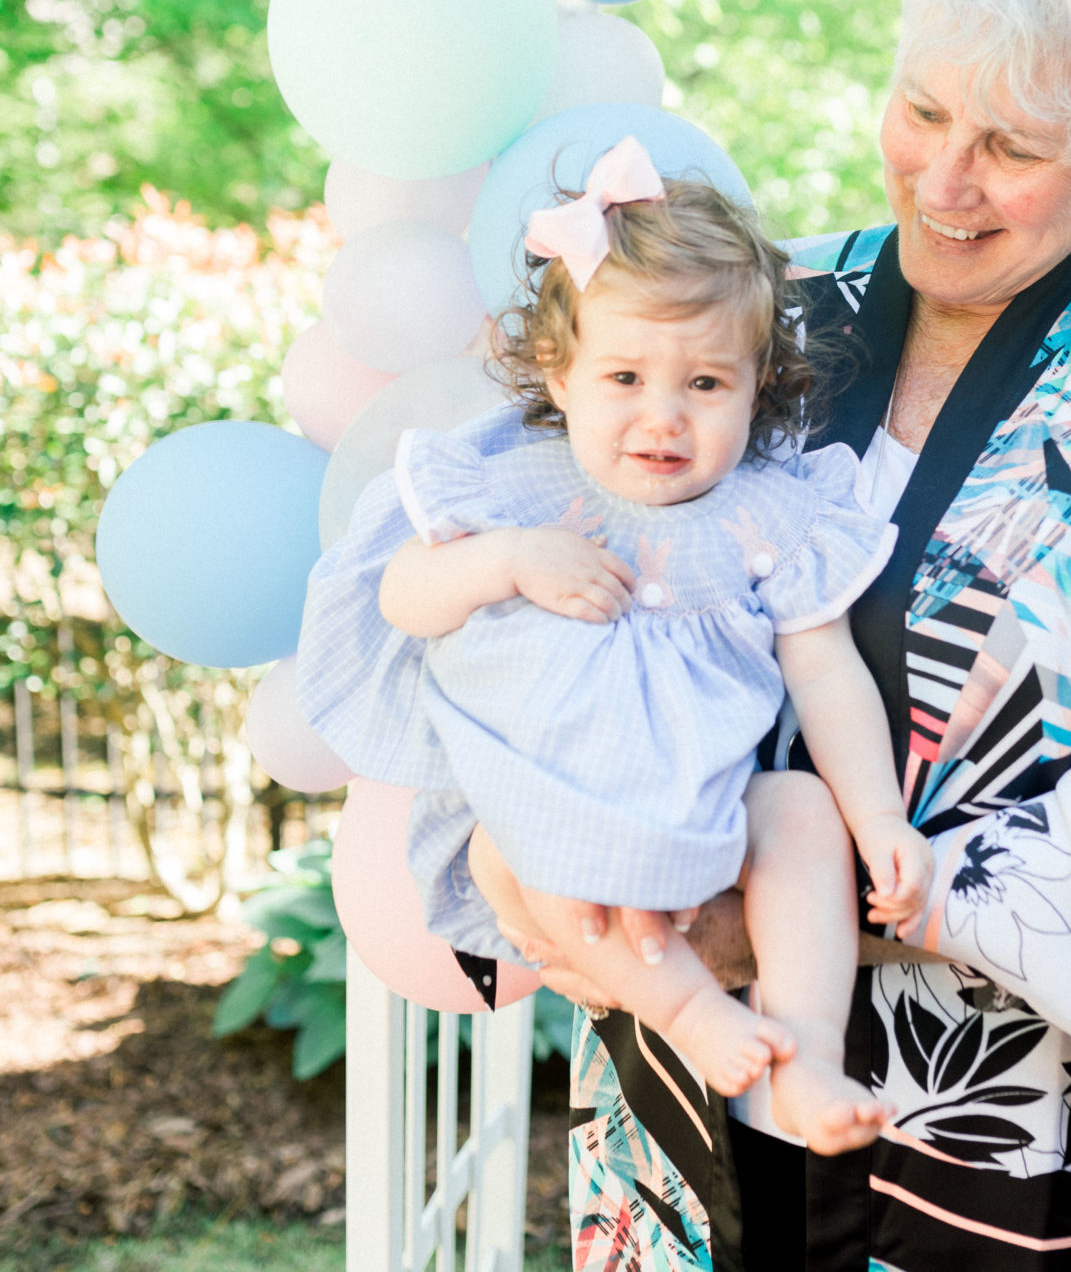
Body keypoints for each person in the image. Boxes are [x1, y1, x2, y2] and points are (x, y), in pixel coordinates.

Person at [463, 0, 1071, 1272]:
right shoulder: (761, 303)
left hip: (1006, 1151)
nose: (949, 181)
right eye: (922, 110)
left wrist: (798, 902)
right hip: (690, 1092)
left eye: (1018, 148)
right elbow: (539, 539)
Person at [299, 138, 935, 1152]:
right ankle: (690, 1010)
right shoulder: (512, 483)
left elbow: (826, 670)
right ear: (561, 371)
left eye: (707, 384)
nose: (663, 416)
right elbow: (405, 597)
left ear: (758, 379)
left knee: (801, 810)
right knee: (509, 848)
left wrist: (882, 819)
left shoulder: (766, 513)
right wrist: (504, 559)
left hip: (707, 819)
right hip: (541, 815)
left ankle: (809, 1050)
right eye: (627, 375)